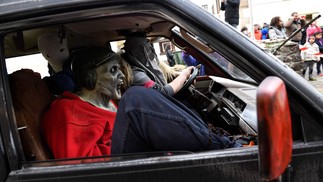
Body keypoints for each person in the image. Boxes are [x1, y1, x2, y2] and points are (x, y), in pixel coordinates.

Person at [41, 47, 125, 159]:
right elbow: (79, 166)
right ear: (90, 76)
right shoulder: (68, 112)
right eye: (113, 70)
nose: (123, 75)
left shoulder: (107, 103)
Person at [122, 33, 195, 96]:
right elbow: (163, 93)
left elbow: (164, 73)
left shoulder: (142, 65)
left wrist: (180, 74)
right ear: (137, 52)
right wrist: (184, 75)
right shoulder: (134, 74)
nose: (151, 53)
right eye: (147, 50)